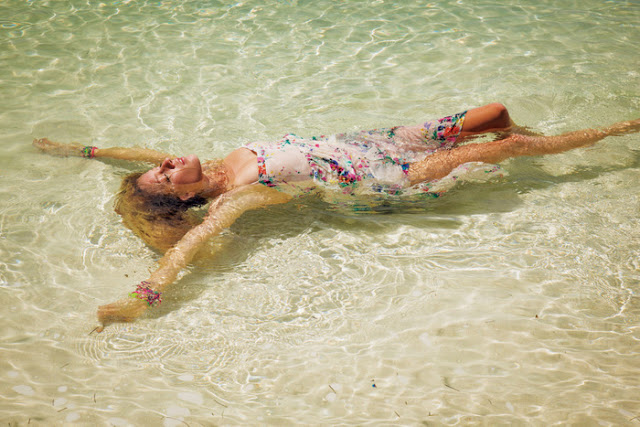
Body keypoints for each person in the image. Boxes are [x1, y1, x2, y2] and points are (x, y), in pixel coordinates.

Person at [33, 103, 640, 331]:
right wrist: (144, 295)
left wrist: (85, 151)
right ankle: (619, 131)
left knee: (494, 115)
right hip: (388, 178)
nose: (166, 164)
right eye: (165, 178)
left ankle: (531, 147)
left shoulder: (213, 163)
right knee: (510, 145)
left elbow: (141, 152)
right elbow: (193, 246)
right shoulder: (233, 197)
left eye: (162, 167)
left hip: (373, 141)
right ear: (185, 199)